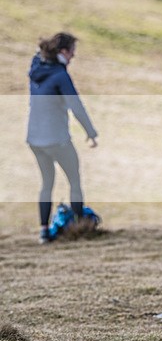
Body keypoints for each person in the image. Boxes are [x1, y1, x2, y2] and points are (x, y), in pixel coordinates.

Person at [27, 32, 98, 244]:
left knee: (46, 183)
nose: (73, 56)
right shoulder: (60, 76)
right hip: (56, 139)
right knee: (74, 180)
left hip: (34, 138)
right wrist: (91, 132)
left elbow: (37, 55)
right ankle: (78, 228)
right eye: (71, 52)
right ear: (62, 51)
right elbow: (76, 106)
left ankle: (43, 232)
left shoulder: (35, 66)